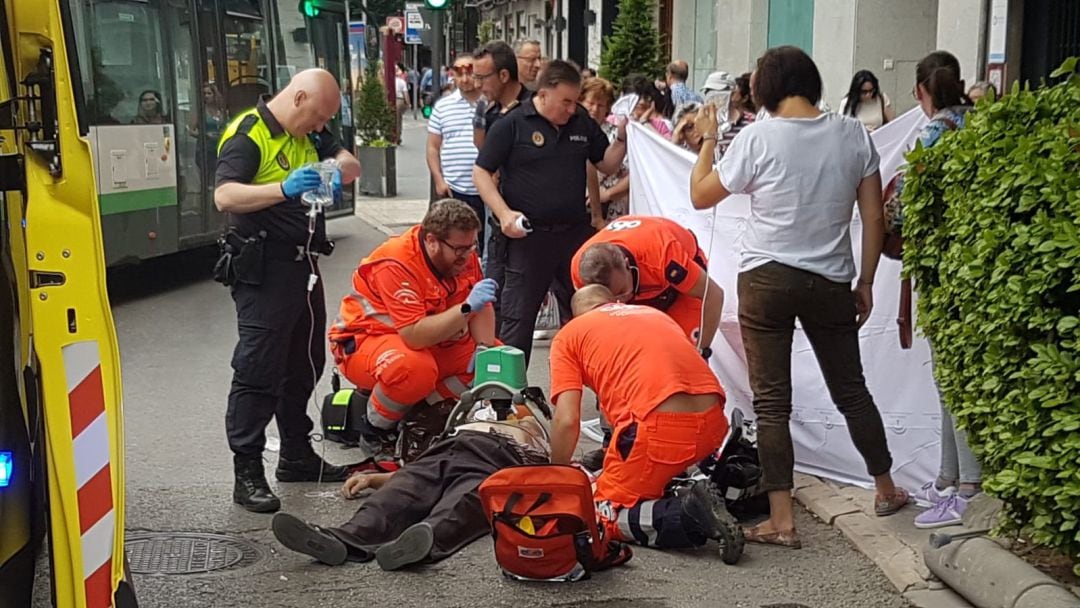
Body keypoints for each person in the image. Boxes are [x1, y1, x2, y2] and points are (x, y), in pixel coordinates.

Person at [688, 46, 909, 548]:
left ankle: (782, 519)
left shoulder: (756, 137)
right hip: (830, 280)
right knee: (851, 390)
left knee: (771, 403)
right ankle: (885, 488)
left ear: (765, 89)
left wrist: (707, 138)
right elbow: (873, 217)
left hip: (765, 278)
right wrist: (867, 280)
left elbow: (701, 194)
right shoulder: (853, 134)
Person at [214, 68, 361, 513]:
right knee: (259, 369)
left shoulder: (308, 130)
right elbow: (225, 197)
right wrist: (283, 188)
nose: (321, 128)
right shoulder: (249, 133)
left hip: (303, 264)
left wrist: (331, 171)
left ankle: (295, 453)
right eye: (318, 117)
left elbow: (351, 164)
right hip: (263, 268)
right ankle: (248, 471)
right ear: (298, 98)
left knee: (305, 364)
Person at [549, 285, 733, 552]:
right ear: (614, 301)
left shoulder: (569, 336)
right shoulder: (653, 314)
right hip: (714, 424)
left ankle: (689, 513)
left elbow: (566, 420)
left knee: (600, 513)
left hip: (658, 432)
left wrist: (555, 473)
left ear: (575, 316)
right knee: (650, 466)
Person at [473, 60, 627, 365]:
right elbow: (481, 171)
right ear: (543, 94)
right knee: (517, 319)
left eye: (575, 101)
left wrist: (622, 138)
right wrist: (503, 214)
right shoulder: (513, 123)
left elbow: (606, 164)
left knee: (593, 309)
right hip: (529, 238)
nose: (571, 109)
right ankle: (507, 401)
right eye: (566, 102)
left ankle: (606, 390)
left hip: (573, 236)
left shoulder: (580, 122)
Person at [271, 408, 549, 570]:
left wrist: (524, 417)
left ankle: (422, 541)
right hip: (448, 448)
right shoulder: (470, 413)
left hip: (496, 460)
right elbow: (412, 473)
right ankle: (341, 538)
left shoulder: (532, 422)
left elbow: (551, 455)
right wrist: (373, 479)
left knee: (463, 503)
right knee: (401, 493)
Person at [327, 200, 497, 455]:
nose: (468, 255)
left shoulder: (461, 254)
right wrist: (465, 310)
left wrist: (484, 349)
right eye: (460, 249)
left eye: (472, 245)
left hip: (429, 338)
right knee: (414, 369)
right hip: (367, 341)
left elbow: (480, 305)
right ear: (431, 240)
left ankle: (420, 418)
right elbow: (415, 335)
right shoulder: (396, 262)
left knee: (496, 361)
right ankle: (375, 429)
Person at [898, 51, 982, 529]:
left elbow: (905, 210)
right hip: (979, 264)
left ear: (920, 92)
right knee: (956, 375)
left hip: (941, 267)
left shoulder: (932, 135)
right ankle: (950, 477)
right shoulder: (984, 126)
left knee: (951, 377)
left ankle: (965, 485)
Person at [571, 215, 725, 351]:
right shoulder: (579, 270)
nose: (620, 302)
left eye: (622, 292)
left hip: (675, 288)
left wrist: (701, 351)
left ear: (626, 264)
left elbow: (713, 295)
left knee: (683, 356)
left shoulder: (664, 256)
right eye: (611, 300)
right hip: (646, 274)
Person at [470, 41, 533, 327]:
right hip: (500, 212)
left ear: (504, 76)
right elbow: (484, 160)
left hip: (535, 215)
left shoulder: (534, 107)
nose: (477, 84)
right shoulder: (488, 109)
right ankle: (492, 342)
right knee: (494, 277)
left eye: (482, 77)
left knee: (530, 288)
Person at [427, 55, 485, 256]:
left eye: (469, 72)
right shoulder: (443, 107)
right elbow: (433, 147)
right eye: (459, 73)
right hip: (455, 188)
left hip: (486, 189)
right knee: (457, 245)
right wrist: (439, 180)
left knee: (486, 245)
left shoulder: (489, 104)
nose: (465, 78)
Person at [580, 77, 629, 220]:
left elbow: (632, 173)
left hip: (613, 209)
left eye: (601, 105)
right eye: (590, 103)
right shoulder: (571, 131)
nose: (595, 109)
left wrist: (608, 194)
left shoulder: (618, 134)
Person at [187, 83, 226, 174]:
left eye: (209, 93)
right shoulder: (200, 111)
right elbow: (190, 131)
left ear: (214, 94)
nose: (206, 96)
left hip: (220, 148)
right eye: (204, 94)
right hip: (205, 150)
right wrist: (205, 135)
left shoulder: (222, 111)